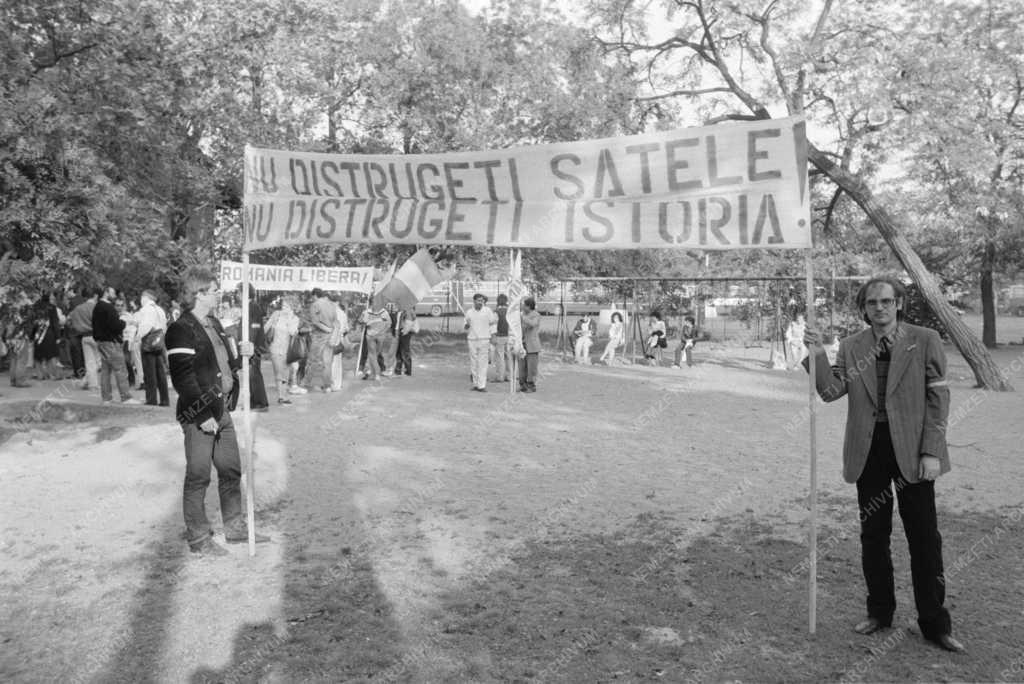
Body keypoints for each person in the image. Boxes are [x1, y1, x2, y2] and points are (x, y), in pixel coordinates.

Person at [802, 276, 963, 653]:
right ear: (864, 308)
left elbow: (939, 400)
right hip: (869, 452)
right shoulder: (852, 345)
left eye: (887, 301)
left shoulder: (925, 340)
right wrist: (817, 352)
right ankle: (879, 612)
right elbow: (830, 392)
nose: (880, 307)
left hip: (913, 453)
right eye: (872, 302)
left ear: (899, 304)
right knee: (873, 537)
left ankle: (934, 624)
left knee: (924, 540)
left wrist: (932, 452)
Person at [166, 266, 268, 556]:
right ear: (198, 294)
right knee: (198, 476)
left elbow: (228, 360)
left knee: (231, 469)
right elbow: (183, 378)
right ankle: (198, 538)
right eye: (213, 290)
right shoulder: (180, 329)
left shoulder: (214, 324)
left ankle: (235, 528)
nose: (218, 294)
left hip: (221, 409)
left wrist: (242, 354)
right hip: (199, 414)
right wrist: (202, 416)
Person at [92, 286, 139, 404]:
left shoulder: (97, 306)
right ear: (106, 293)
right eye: (112, 292)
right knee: (120, 369)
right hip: (111, 342)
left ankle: (106, 398)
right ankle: (126, 397)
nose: (114, 294)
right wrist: (124, 322)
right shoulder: (108, 307)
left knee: (105, 370)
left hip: (101, 342)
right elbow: (116, 325)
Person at [136, 289, 169, 406]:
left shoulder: (146, 309)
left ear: (146, 297)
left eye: (142, 297)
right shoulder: (159, 309)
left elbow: (146, 326)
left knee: (149, 373)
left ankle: (151, 399)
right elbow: (164, 326)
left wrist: (138, 337)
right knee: (160, 372)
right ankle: (165, 400)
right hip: (159, 342)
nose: (141, 299)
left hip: (148, 342)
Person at [264, 298, 301, 404]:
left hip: (287, 350)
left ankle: (283, 395)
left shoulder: (294, 318)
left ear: (292, 308)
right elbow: (266, 327)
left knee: (285, 372)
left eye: (286, 307)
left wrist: (288, 319)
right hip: (275, 348)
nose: (283, 308)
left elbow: (292, 332)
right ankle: (282, 396)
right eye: (283, 306)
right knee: (279, 372)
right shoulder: (276, 314)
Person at [464, 293, 497, 392]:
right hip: (472, 340)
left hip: (484, 339)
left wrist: (493, 336)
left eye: (482, 301)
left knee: (482, 363)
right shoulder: (469, 312)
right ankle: (475, 384)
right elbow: (465, 328)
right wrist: (467, 324)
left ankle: (481, 385)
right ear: (474, 301)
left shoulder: (487, 311)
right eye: (478, 300)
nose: (480, 302)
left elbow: (492, 324)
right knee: (474, 362)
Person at [305, 288, 336, 392]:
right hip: (330, 335)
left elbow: (315, 322)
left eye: (312, 297)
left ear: (314, 295)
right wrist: (331, 330)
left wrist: (326, 329)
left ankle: (306, 383)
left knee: (312, 360)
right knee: (327, 362)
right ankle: (327, 386)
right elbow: (335, 321)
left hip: (319, 335)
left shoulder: (315, 305)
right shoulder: (331, 305)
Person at [68, 290, 99, 389]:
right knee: (100, 361)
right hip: (96, 336)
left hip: (84, 336)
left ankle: (90, 383)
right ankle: (88, 382)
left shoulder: (78, 308)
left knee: (89, 362)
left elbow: (67, 320)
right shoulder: (96, 307)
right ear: (95, 296)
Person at [32, 294, 62, 380]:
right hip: (49, 334)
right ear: (49, 299)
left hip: (37, 334)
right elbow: (55, 322)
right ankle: (53, 375)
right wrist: (58, 336)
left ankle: (40, 375)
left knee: (38, 357)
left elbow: (32, 323)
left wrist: (31, 335)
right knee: (51, 355)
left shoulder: (35, 307)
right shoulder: (52, 307)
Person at [360, 305, 391, 381]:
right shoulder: (384, 312)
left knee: (373, 355)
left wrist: (367, 321)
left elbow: (362, 322)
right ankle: (372, 372)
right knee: (374, 355)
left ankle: (373, 372)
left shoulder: (367, 312)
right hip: (377, 336)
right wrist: (383, 331)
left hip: (372, 335)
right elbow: (389, 324)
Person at [518, 296, 541, 393]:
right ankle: (522, 385)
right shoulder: (521, 314)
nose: (522, 307)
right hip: (522, 344)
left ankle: (531, 385)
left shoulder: (536, 315)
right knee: (522, 366)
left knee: (531, 367)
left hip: (532, 345)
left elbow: (533, 324)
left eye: (524, 305)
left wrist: (523, 318)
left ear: (529, 306)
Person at [329, 297, 350, 390]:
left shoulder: (335, 313)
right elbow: (346, 329)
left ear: (336, 302)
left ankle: (333, 384)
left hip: (333, 339)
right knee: (336, 363)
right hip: (336, 339)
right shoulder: (342, 314)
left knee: (332, 362)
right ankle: (336, 384)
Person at [393, 307, 419, 377]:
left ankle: (408, 371)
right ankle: (398, 370)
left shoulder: (408, 310)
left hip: (405, 333)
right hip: (400, 332)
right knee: (398, 352)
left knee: (405, 352)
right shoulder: (401, 310)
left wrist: (404, 331)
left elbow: (409, 322)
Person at [492, 294, 512, 382]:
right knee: (509, 357)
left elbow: (494, 324)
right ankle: (509, 376)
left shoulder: (496, 311)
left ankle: (499, 376)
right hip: (509, 336)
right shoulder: (510, 311)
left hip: (499, 336)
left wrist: (493, 336)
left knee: (499, 357)